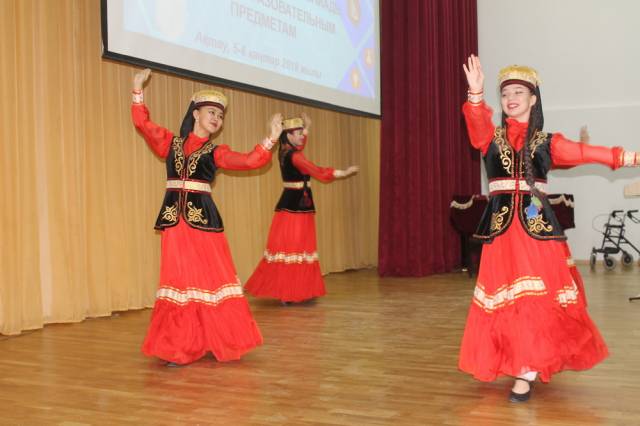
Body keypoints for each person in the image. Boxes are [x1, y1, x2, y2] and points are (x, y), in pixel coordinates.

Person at [459, 55, 638, 402]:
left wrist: (631, 157)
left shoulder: (547, 142)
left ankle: (526, 371)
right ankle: (520, 362)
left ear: (533, 99)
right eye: (505, 93)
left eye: (518, 92)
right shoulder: (490, 138)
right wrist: (476, 93)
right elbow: (476, 124)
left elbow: (588, 152)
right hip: (501, 232)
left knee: (536, 301)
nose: (511, 98)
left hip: (536, 232)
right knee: (507, 301)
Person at [131, 68, 283, 365]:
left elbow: (250, 160)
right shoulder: (171, 143)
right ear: (196, 114)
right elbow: (143, 124)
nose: (217, 118)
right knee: (178, 280)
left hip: (203, 223)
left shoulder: (216, 152)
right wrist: (137, 90)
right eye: (212, 112)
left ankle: (218, 337)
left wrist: (271, 139)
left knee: (210, 278)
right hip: (174, 222)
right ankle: (178, 346)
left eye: (221, 116)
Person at [244, 114, 358, 304]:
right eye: (298, 133)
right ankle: (290, 292)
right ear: (288, 135)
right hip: (296, 208)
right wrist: (341, 173)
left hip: (293, 204)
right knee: (295, 248)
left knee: (293, 249)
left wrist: (307, 127)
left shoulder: (285, 151)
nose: (302, 137)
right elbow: (316, 170)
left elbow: (300, 146)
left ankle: (297, 290)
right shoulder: (295, 156)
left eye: (302, 133)